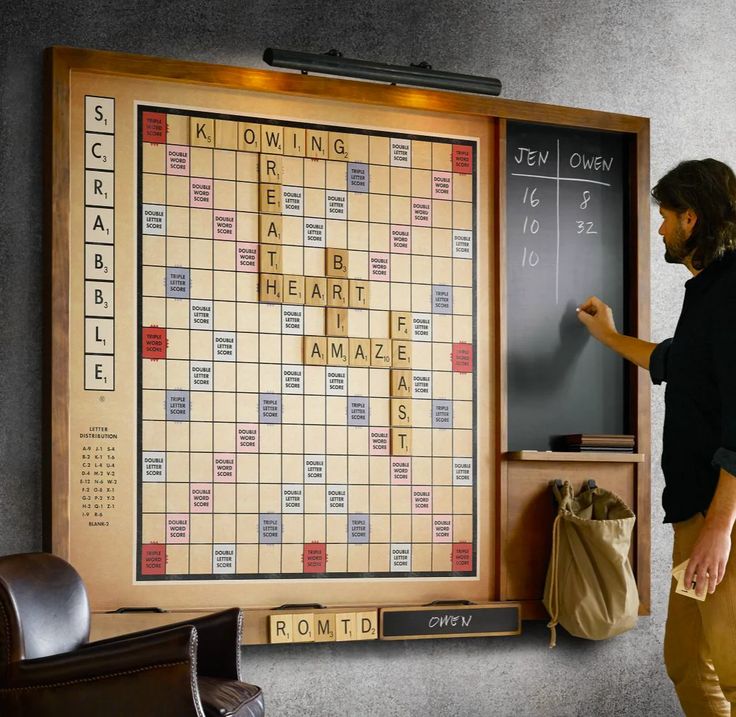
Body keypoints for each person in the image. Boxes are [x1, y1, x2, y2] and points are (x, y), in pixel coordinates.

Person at [577, 158, 736, 716]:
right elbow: (672, 362)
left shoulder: (733, 291)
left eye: (666, 216)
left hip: (722, 516)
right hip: (693, 512)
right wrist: (611, 337)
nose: (661, 229)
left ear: (691, 218)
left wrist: (721, 528)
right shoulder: (706, 292)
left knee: (734, 666)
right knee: (687, 662)